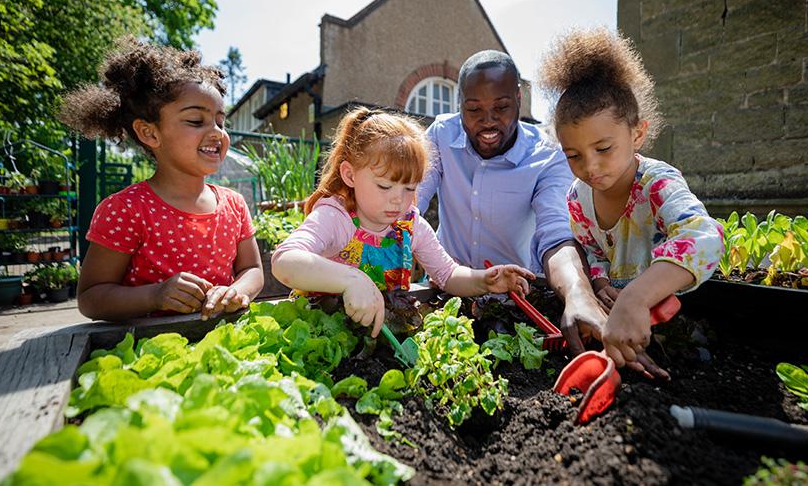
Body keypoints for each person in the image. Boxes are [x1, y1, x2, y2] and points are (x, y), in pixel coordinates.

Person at [538, 28, 724, 374]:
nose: (590, 166)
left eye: (604, 149)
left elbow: (704, 238)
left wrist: (636, 297)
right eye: (573, 155)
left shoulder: (657, 184)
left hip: (675, 317)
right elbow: (592, 250)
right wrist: (602, 284)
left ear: (637, 133)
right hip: (620, 319)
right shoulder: (578, 198)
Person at [417, 50, 612, 366]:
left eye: (501, 107)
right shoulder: (441, 135)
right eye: (473, 109)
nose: (488, 121)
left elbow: (556, 235)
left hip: (518, 300)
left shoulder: (549, 154)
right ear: (459, 105)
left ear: (519, 99)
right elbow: (406, 205)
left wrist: (578, 292)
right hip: (449, 293)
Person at [271, 107, 534, 336]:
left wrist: (485, 281)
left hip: (382, 341)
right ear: (350, 175)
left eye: (409, 187)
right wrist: (352, 280)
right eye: (384, 186)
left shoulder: (410, 225)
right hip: (323, 338)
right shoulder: (336, 217)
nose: (398, 201)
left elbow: (447, 274)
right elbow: (285, 260)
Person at [59, 36, 264, 321]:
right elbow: (91, 298)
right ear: (149, 133)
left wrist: (237, 291)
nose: (217, 132)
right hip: (150, 353)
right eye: (196, 121)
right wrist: (155, 294)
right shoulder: (126, 209)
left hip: (224, 347)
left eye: (220, 121)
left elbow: (252, 270)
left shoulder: (234, 204)